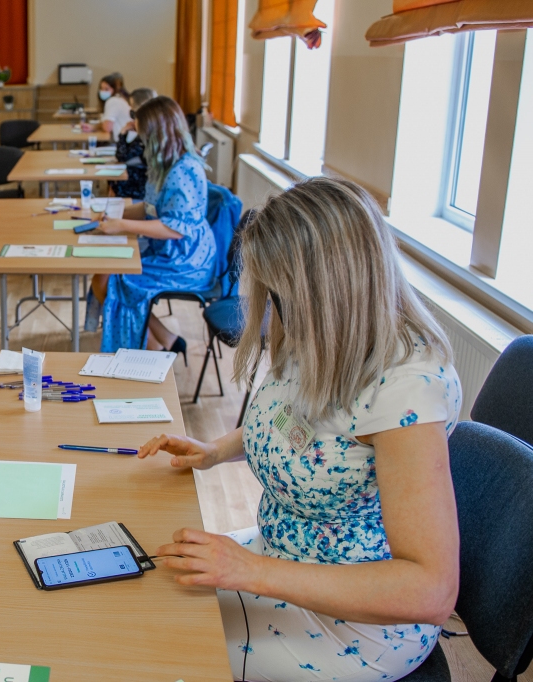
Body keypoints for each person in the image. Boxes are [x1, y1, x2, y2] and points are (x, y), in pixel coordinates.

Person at [138, 177, 462, 682]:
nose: (275, 310)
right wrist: (216, 449)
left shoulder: (407, 389)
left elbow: (432, 590)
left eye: (282, 294)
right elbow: (296, 424)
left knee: (164, 651)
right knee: (146, 594)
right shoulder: (319, 333)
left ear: (327, 287)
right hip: (282, 555)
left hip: (355, 623)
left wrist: (251, 571)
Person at [85, 96, 216, 357]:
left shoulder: (184, 169)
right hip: (170, 250)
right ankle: (162, 341)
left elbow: (175, 228)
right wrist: (113, 213)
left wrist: (121, 223)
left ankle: (152, 349)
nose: (140, 137)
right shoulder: (166, 164)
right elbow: (150, 209)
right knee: (105, 275)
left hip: (186, 259)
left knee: (115, 280)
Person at [109, 87, 156, 200]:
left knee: (114, 180)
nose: (131, 115)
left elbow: (122, 156)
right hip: (144, 183)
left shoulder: (149, 133)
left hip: (141, 186)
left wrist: (123, 132)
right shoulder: (148, 131)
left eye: (132, 111)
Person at [83, 72, 130, 142]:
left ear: (114, 89)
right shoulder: (120, 99)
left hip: (119, 143)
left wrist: (95, 127)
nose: (103, 92)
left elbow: (107, 127)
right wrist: (94, 127)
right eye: (101, 89)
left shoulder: (113, 101)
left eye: (106, 89)